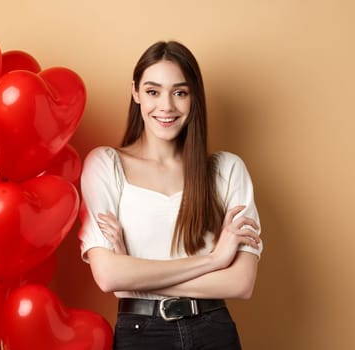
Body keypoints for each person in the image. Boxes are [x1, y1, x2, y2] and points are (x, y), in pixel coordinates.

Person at [78, 40, 263, 350]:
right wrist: (215, 259)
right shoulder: (105, 164)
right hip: (141, 334)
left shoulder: (227, 170)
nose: (166, 106)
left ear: (194, 99)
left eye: (180, 92)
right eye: (153, 91)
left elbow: (240, 283)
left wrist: (134, 279)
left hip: (213, 331)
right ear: (135, 92)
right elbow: (109, 276)